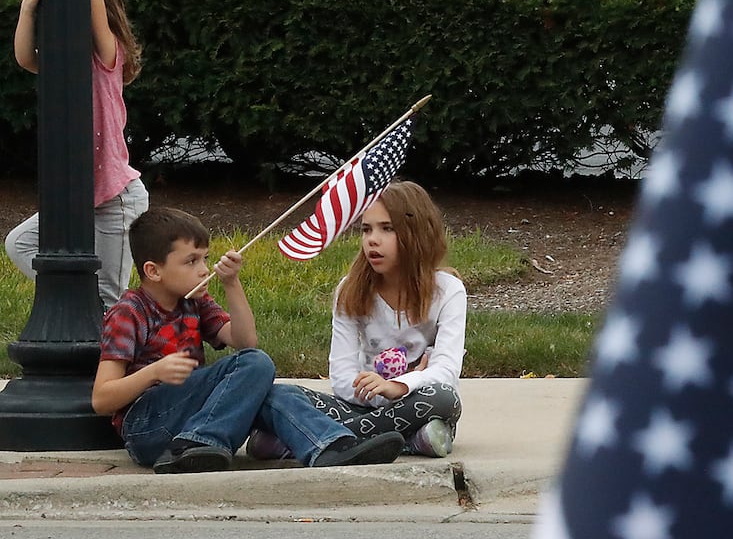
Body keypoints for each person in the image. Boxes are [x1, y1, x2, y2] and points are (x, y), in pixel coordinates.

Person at [92, 207, 406, 475]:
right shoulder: (129, 312)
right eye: (191, 262)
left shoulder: (194, 302)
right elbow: (102, 400)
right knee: (255, 364)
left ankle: (331, 447)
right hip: (147, 429)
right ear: (153, 271)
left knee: (271, 390)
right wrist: (154, 372)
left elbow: (244, 340)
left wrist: (231, 283)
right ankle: (200, 443)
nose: (204, 270)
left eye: (205, 259)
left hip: (191, 422)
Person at [248, 181, 466, 460]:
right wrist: (379, 391)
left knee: (443, 398)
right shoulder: (350, 290)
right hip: (358, 406)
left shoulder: (448, 291)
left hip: (418, 403)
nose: (372, 239)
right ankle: (409, 441)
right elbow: (341, 378)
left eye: (387, 228)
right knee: (276, 397)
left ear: (418, 233)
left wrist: (398, 386)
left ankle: (316, 439)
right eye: (366, 229)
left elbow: (446, 371)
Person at [8, 0, 150, 312]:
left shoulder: (107, 57)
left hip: (116, 198)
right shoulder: (60, 62)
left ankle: (120, 358)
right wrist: (28, 8)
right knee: (21, 243)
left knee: (112, 297)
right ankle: (81, 308)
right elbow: (23, 58)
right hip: (78, 197)